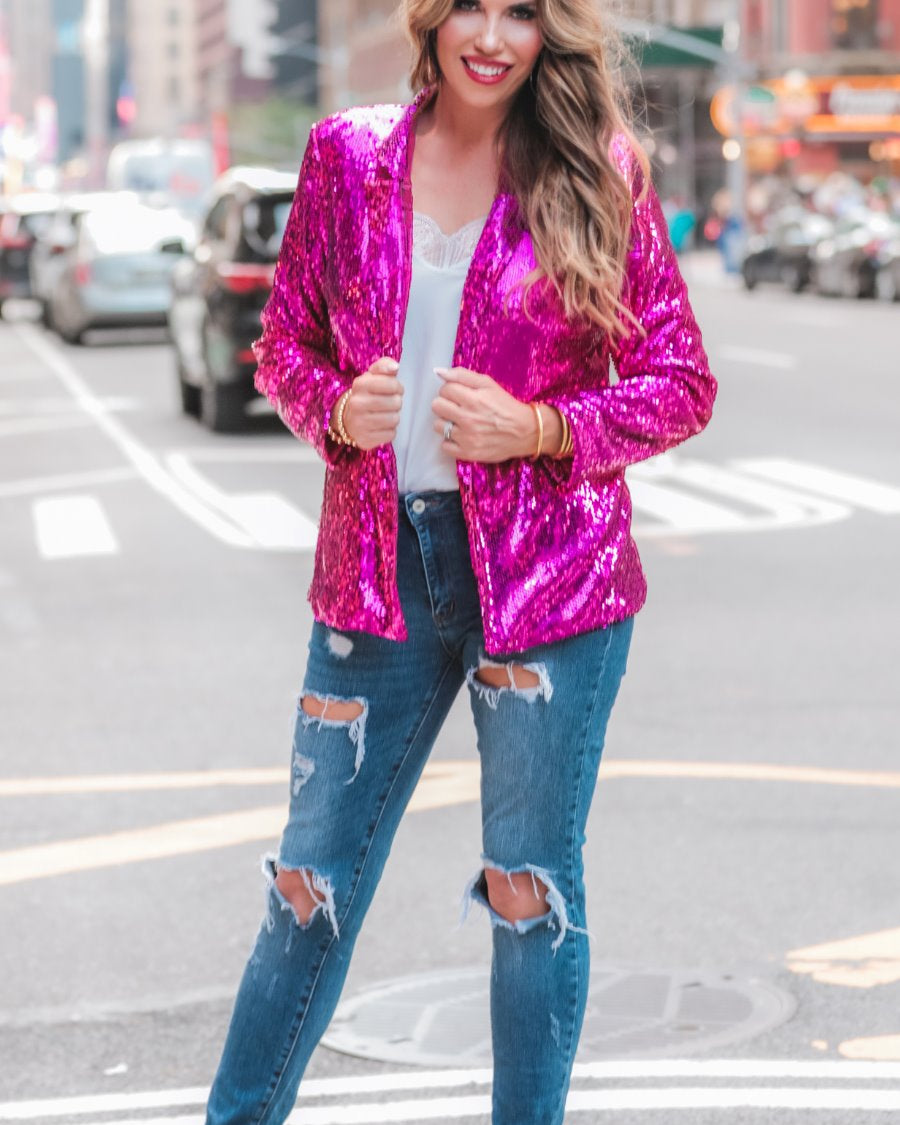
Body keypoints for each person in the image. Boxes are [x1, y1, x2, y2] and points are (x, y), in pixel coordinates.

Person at [206, 1, 716, 1122]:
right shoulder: (350, 155)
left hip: (548, 581)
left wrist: (539, 429)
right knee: (307, 887)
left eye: (523, 12)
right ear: (431, 22)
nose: (492, 35)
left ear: (550, 33)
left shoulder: (598, 169)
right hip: (375, 571)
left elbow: (680, 382)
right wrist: (335, 404)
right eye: (472, 7)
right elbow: (284, 340)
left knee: (528, 893)